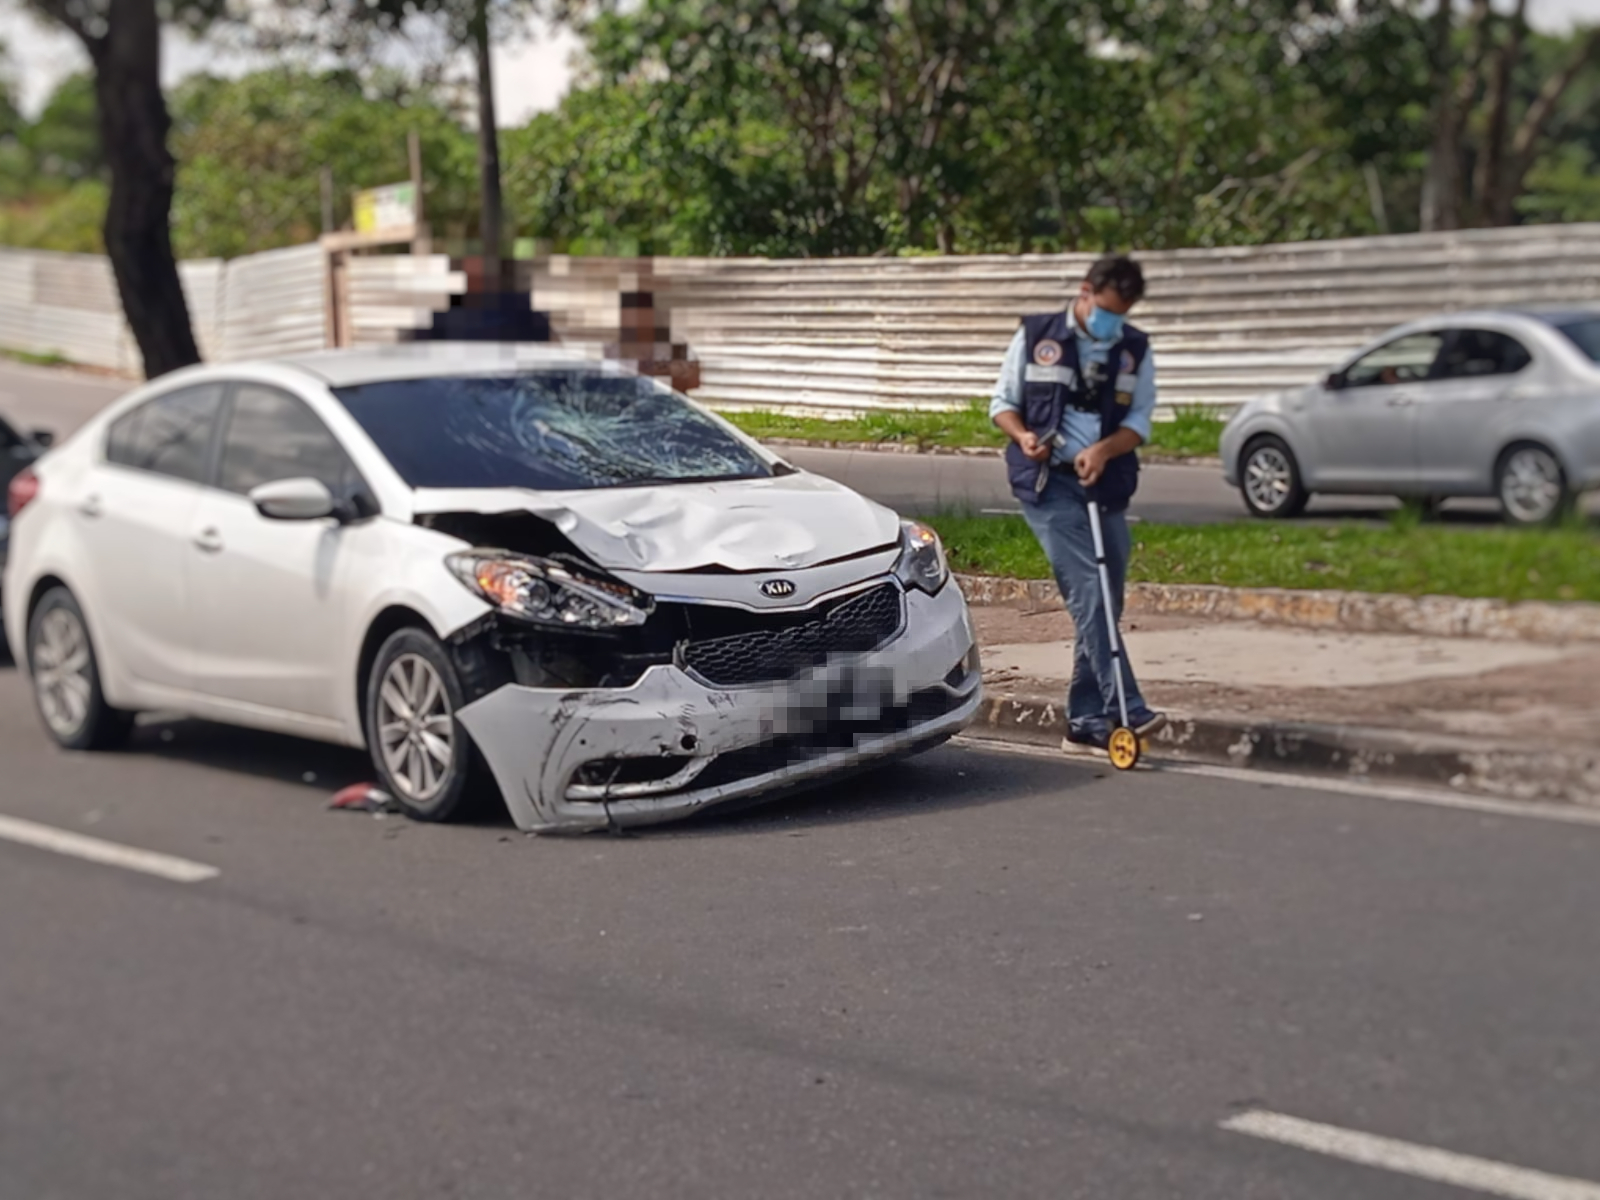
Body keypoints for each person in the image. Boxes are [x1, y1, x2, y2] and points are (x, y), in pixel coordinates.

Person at [989, 253, 1165, 753]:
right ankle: (1126, 706)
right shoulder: (1038, 335)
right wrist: (1025, 437)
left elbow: (1140, 423)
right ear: (1085, 292)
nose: (1114, 322)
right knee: (1089, 590)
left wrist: (1104, 451)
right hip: (1047, 484)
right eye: (1108, 309)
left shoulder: (1134, 349)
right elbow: (1002, 404)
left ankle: (1085, 721)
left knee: (1106, 594)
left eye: (1123, 313)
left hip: (1104, 483)